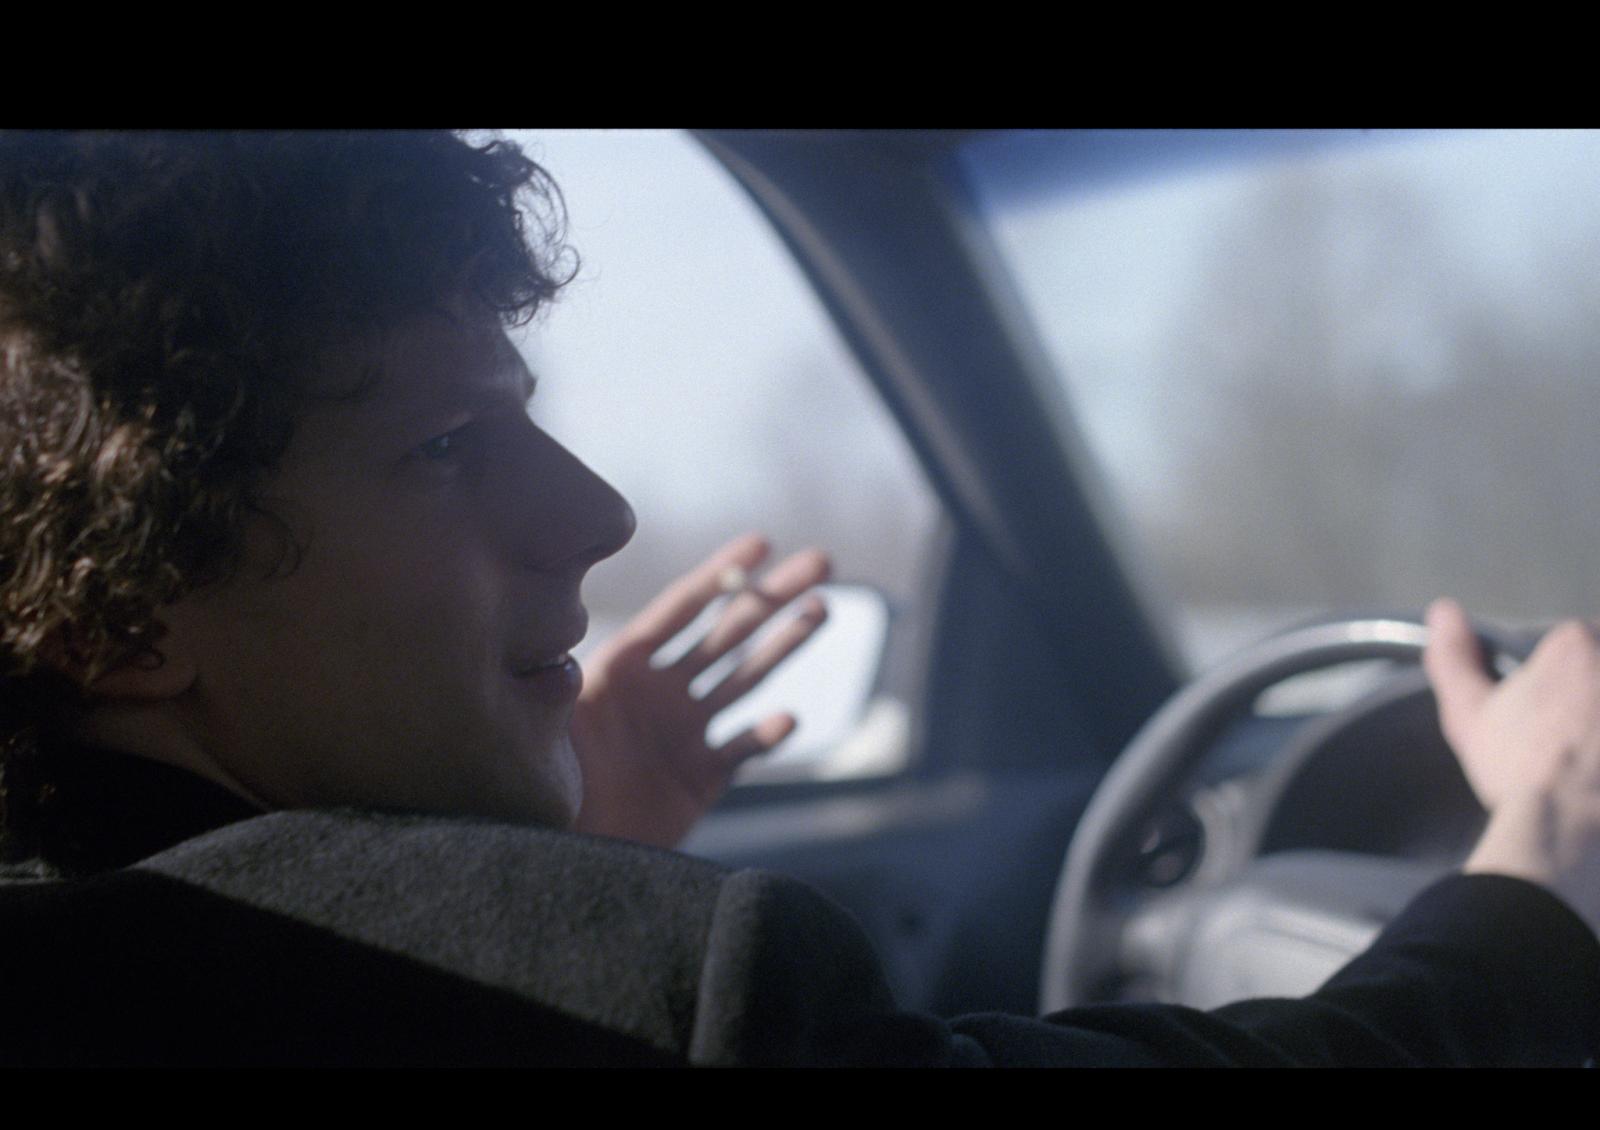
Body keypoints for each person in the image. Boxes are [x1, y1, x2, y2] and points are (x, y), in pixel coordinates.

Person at [0, 130, 1595, 1066]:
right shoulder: (677, 989)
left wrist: (552, 876)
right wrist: (1536, 862)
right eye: (440, 446)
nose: (598, 515)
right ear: (112, 619)